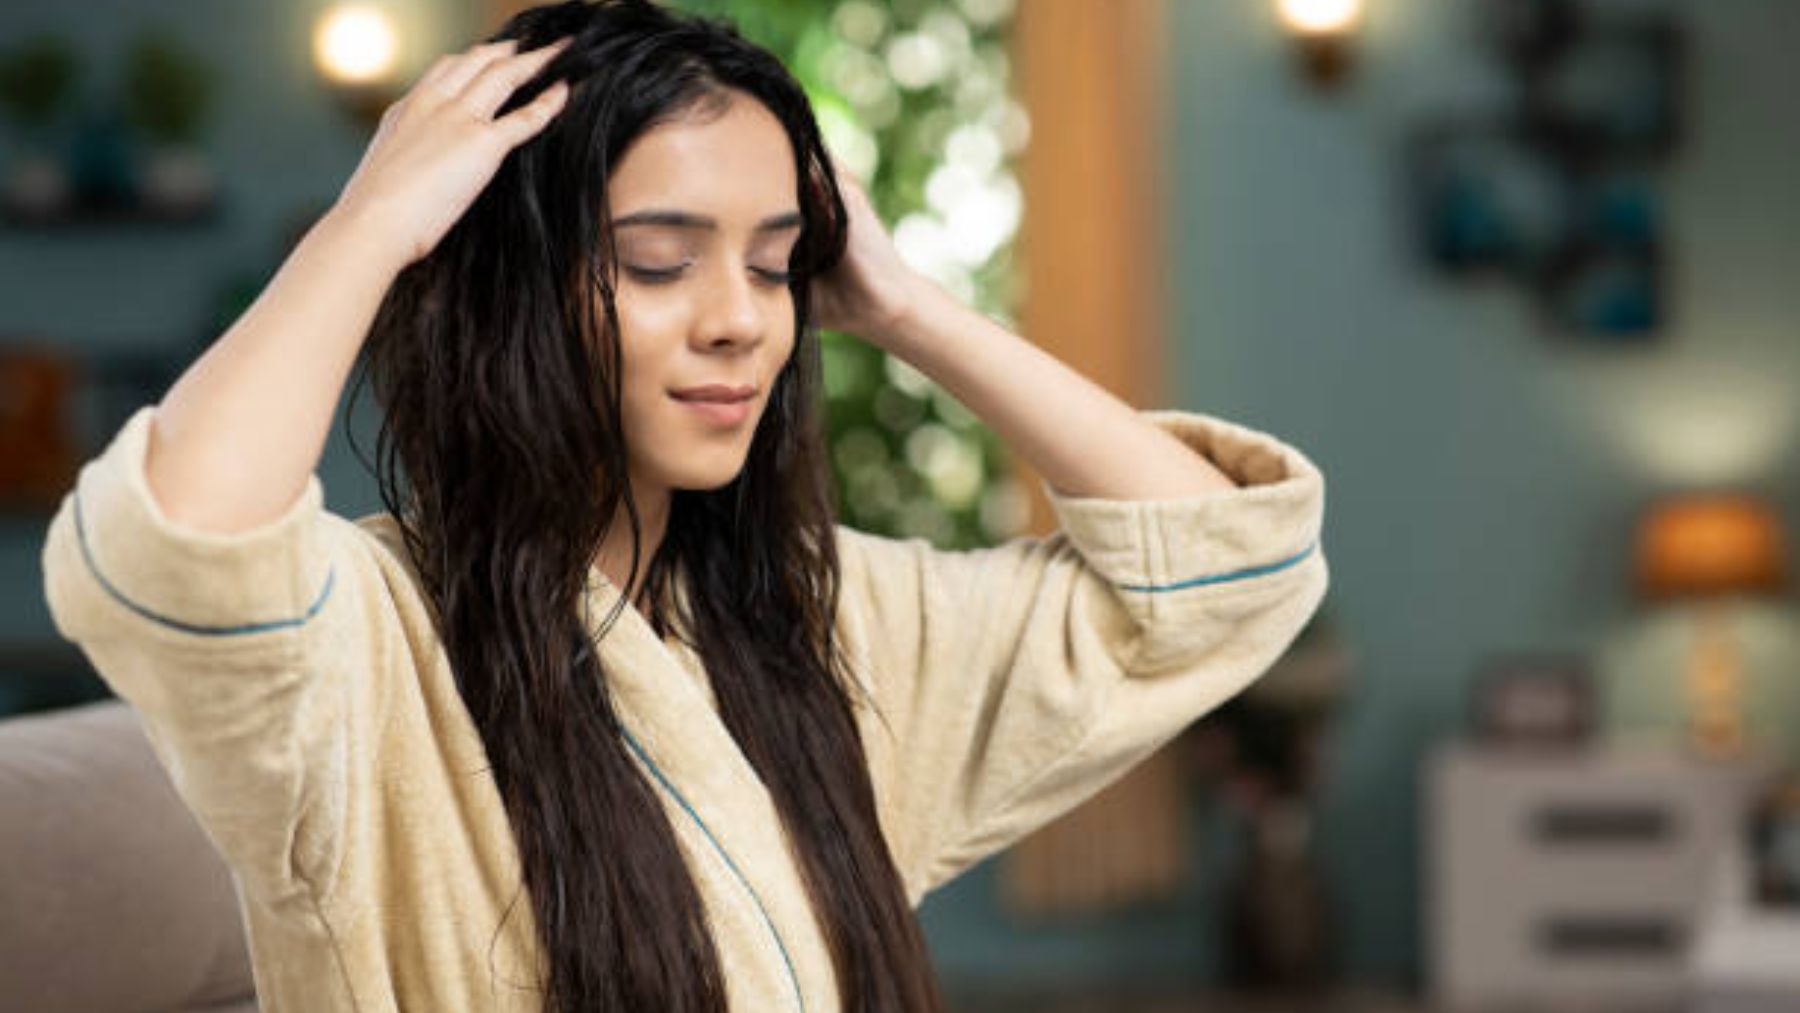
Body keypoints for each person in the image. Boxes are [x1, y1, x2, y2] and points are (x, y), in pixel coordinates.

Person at [38, 1, 1330, 1010]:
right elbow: (172, 554)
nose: (740, 321)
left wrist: (904, 306)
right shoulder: (368, 646)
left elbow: (1227, 570)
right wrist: (369, 227)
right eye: (659, 260)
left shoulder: (829, 627)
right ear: (515, 292)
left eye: (776, 264)